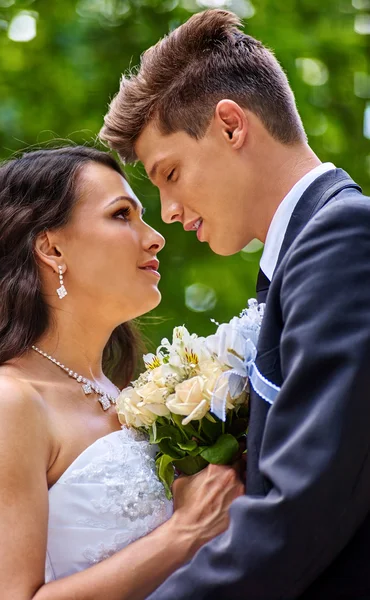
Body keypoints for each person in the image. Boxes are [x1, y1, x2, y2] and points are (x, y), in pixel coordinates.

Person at [100, 8, 370, 599]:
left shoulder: (342, 239)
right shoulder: (305, 256)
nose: (167, 212)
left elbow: (303, 506)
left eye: (169, 173)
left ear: (230, 125)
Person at [0, 146, 244, 600]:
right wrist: (184, 532)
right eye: (121, 215)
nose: (155, 238)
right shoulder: (9, 401)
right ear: (52, 248)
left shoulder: (126, 395)